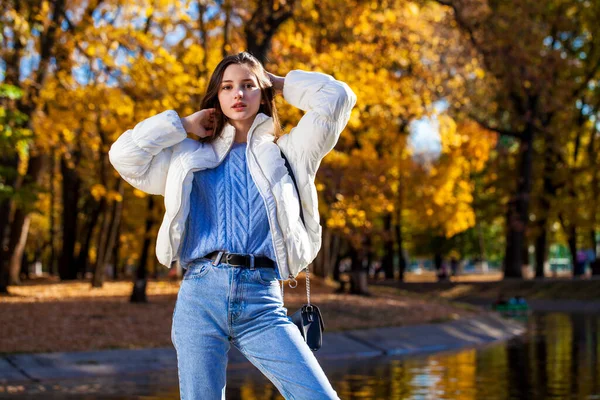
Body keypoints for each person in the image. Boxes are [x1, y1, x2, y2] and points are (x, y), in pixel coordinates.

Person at [108, 52, 356, 399]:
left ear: (262, 92)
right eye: (227, 87)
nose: (237, 94)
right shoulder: (187, 158)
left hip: (263, 301)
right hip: (200, 296)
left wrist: (281, 83)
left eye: (247, 86)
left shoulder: (291, 150)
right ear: (217, 96)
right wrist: (181, 125)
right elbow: (123, 156)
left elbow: (339, 98)